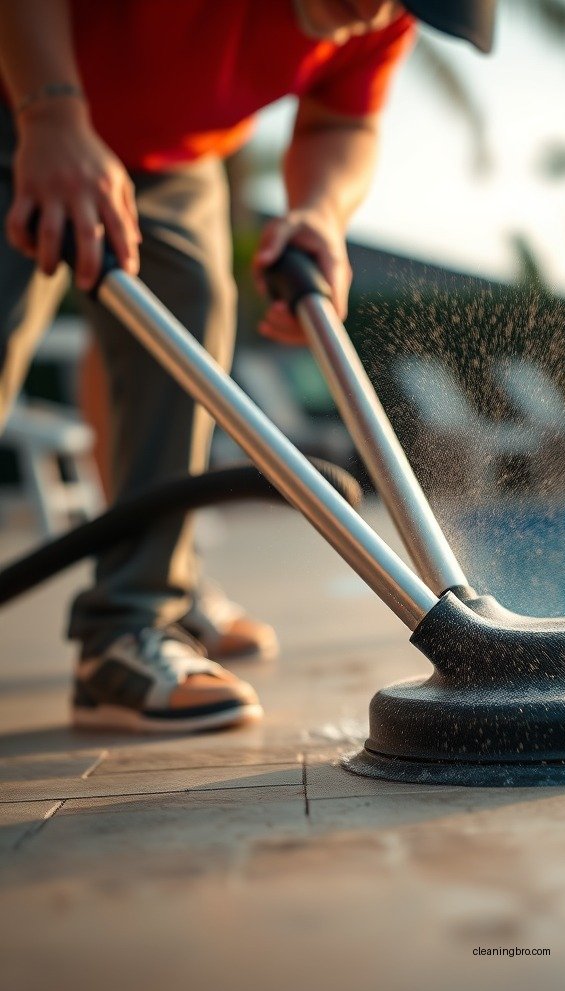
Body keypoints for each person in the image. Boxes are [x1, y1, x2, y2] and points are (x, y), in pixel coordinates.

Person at [0, 0, 495, 733]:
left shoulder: (382, 16)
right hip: (21, 95)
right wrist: (51, 118)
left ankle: (131, 627)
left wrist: (320, 213)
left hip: (173, 154)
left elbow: (341, 122)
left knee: (186, 326)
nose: (376, 11)